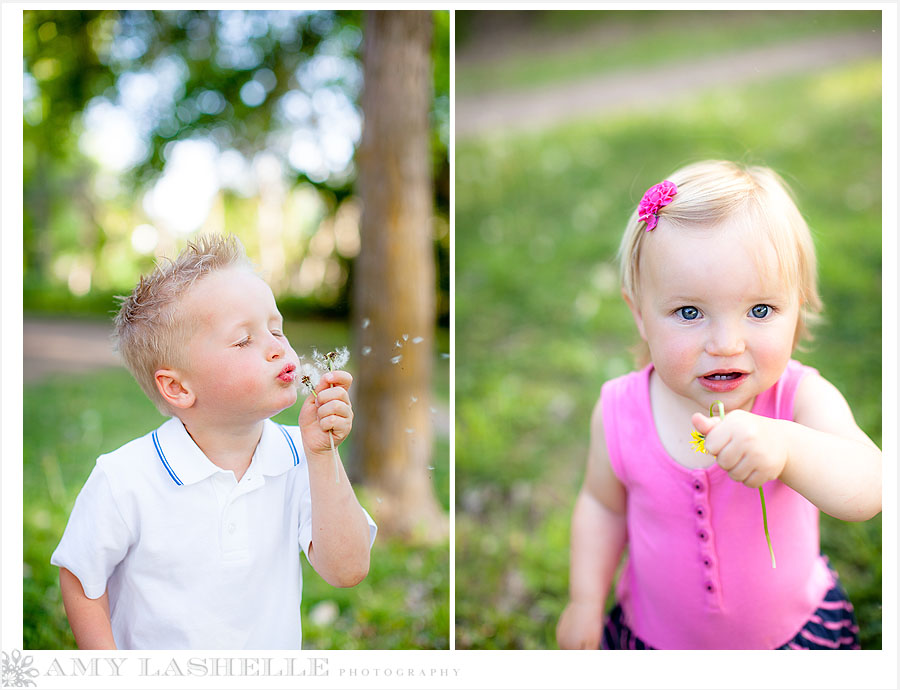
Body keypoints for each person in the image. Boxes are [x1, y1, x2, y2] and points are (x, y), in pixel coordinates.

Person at [556, 160, 881, 650]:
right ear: (640, 315)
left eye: (760, 310)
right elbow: (603, 507)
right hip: (656, 640)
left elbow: (869, 489)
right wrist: (584, 600)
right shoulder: (621, 410)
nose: (726, 343)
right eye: (689, 312)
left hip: (790, 639)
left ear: (798, 310)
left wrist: (787, 447)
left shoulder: (798, 399)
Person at [51, 234, 376, 649]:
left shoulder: (299, 455)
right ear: (179, 387)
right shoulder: (125, 478)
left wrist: (322, 454)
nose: (278, 348)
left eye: (277, 329)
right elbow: (81, 576)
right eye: (244, 340)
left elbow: (347, 570)